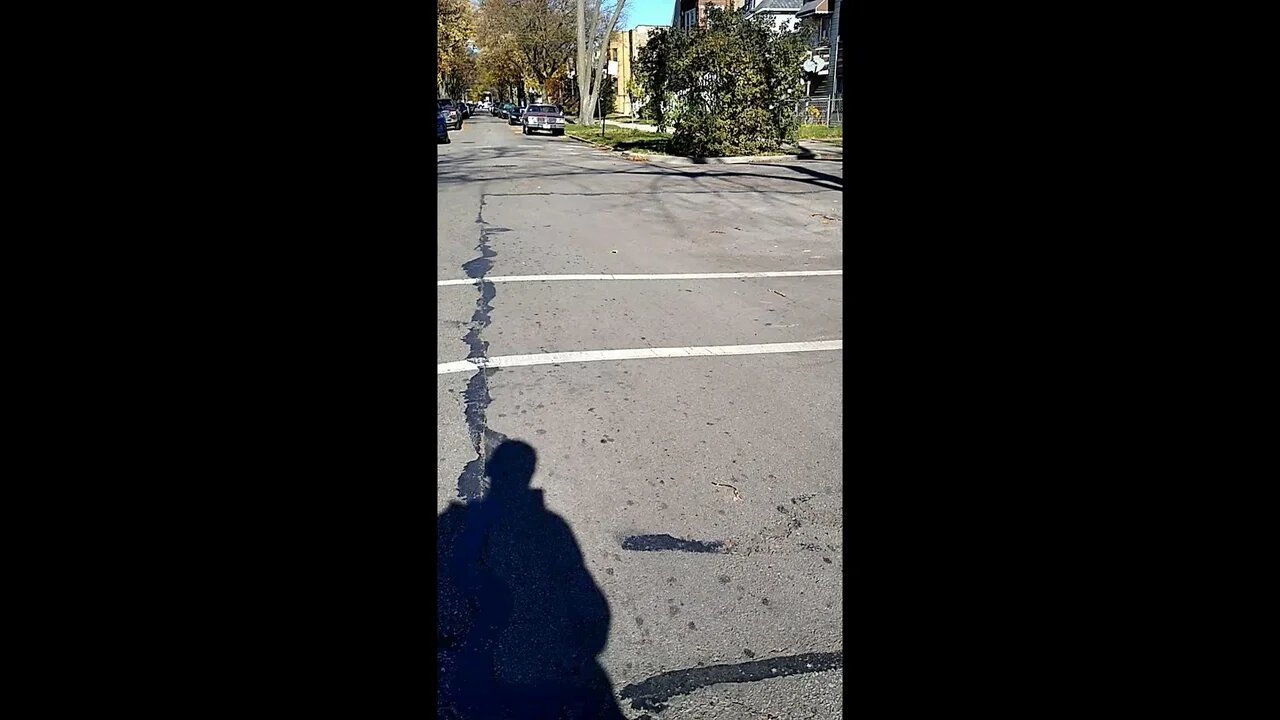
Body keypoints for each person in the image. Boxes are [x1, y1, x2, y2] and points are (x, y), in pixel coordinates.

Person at [437, 440, 625, 720]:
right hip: (542, 681)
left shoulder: (455, 525)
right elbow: (591, 609)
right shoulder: (551, 527)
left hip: (477, 682)